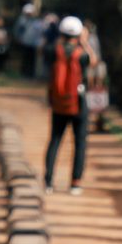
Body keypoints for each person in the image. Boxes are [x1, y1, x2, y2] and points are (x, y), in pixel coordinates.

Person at [44, 16, 91, 194]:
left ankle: (48, 181)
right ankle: (75, 183)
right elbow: (94, 62)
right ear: (78, 34)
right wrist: (84, 42)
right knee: (80, 143)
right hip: (79, 103)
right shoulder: (82, 55)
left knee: (55, 140)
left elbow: (46, 53)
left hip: (58, 102)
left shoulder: (53, 51)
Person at [12, 2, 42, 77]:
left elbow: (39, 32)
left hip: (33, 44)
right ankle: (24, 73)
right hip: (24, 43)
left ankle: (31, 74)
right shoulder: (21, 20)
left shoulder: (36, 21)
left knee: (32, 60)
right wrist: (18, 39)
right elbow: (17, 31)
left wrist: (39, 42)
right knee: (24, 59)